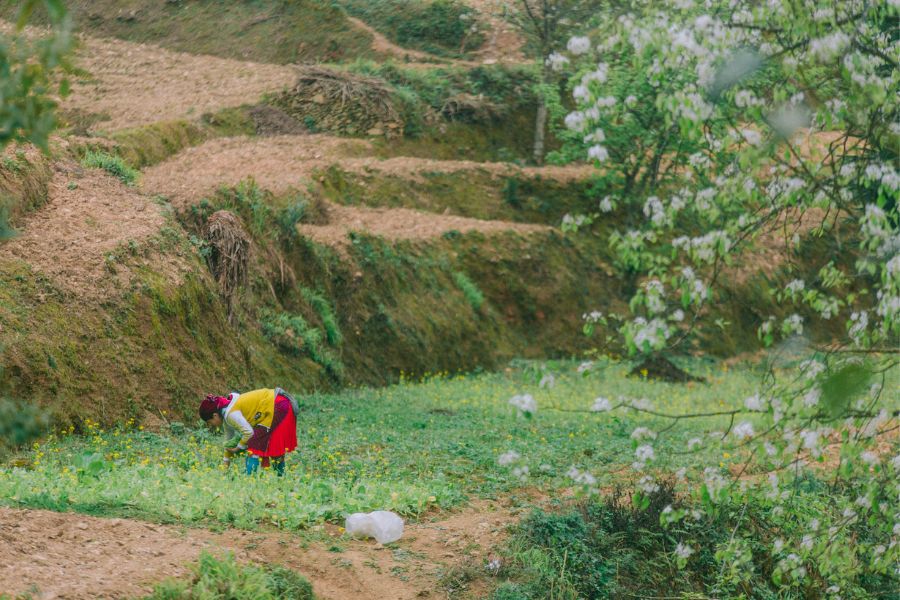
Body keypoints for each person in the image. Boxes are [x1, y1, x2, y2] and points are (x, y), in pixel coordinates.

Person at [199, 388, 299, 476]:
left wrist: (238, 448)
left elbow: (248, 432)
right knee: (273, 446)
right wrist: (225, 464)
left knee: (255, 443)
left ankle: (250, 477)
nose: (211, 425)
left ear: (215, 415)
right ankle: (279, 478)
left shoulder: (230, 414)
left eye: (209, 422)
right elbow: (228, 441)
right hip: (278, 404)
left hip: (278, 406)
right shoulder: (226, 413)